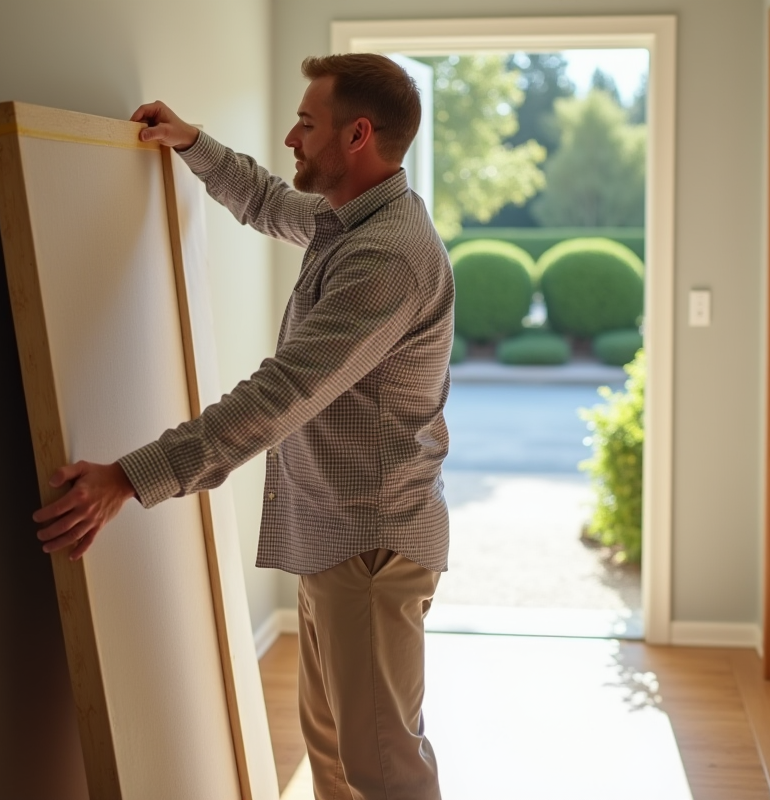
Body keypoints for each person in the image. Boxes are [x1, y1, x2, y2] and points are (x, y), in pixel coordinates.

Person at [31, 53, 453, 800]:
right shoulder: (349, 221)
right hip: (339, 540)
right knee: (337, 764)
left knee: (385, 773)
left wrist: (128, 479)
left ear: (358, 135)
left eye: (306, 122)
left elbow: (278, 398)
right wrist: (195, 145)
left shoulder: (387, 257)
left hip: (370, 548)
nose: (292, 137)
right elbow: (268, 202)